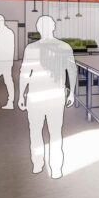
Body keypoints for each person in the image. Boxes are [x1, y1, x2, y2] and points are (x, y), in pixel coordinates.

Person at [18, 15, 77, 179]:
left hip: (36, 96)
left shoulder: (31, 48)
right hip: (55, 96)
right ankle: (55, 168)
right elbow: (72, 71)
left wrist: (21, 95)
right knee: (55, 132)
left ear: (38, 29)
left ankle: (38, 164)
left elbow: (25, 73)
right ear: (53, 27)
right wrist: (71, 91)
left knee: (35, 131)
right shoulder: (64, 46)